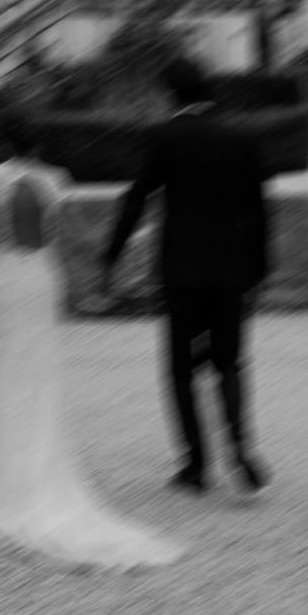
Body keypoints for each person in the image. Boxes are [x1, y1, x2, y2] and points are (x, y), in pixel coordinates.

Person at [0, 116, 181, 571]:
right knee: (41, 378)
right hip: (43, 281)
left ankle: (15, 478)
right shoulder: (54, 180)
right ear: (38, 143)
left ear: (2, 144)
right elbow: (72, 241)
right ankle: (40, 469)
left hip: (6, 281)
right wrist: (128, 247)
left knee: (11, 379)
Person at [100, 56, 273, 495]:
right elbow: (258, 210)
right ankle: (239, 444)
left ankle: (196, 464)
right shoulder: (239, 139)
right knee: (229, 360)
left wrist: (111, 256)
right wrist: (259, 270)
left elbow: (136, 198)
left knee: (181, 367)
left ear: (170, 94)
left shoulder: (164, 137)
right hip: (231, 267)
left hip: (181, 269)